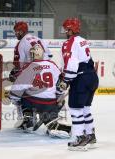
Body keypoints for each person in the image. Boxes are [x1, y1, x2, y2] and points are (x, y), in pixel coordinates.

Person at [9, 43, 71, 138]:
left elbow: (18, 87)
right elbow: (61, 84)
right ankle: (53, 124)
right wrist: (59, 97)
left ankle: (29, 120)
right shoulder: (52, 65)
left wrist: (13, 98)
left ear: (33, 55)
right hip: (50, 104)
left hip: (33, 102)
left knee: (21, 97)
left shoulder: (29, 66)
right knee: (60, 101)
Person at [58, 18, 99, 151]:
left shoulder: (69, 43)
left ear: (71, 29)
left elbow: (72, 63)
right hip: (92, 77)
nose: (65, 32)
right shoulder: (83, 40)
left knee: (76, 109)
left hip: (80, 78)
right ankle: (90, 135)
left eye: (67, 29)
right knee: (85, 108)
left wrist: (66, 80)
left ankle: (80, 139)